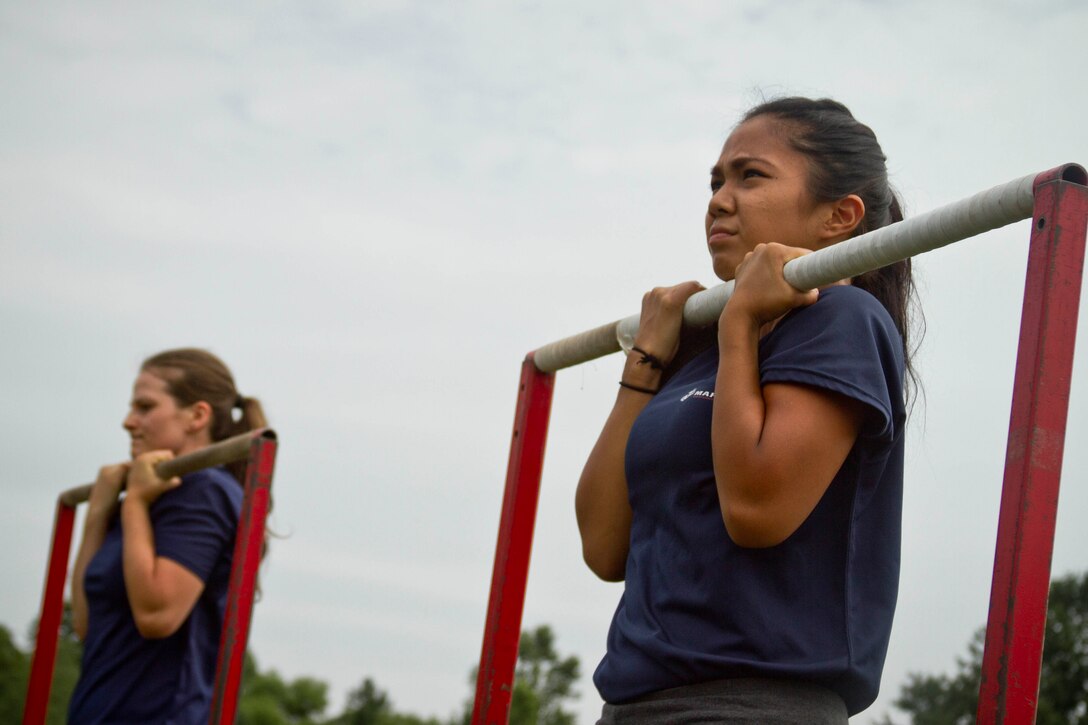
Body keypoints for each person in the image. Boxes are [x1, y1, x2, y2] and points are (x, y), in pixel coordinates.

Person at [576, 97, 917, 724]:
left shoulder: (842, 319)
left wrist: (739, 324)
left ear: (839, 216)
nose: (719, 199)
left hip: (753, 705)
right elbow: (603, 546)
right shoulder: (700, 352)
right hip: (629, 705)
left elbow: (757, 511)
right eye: (715, 180)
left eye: (749, 175)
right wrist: (646, 360)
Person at [68, 348, 268, 724]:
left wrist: (135, 503)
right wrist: (98, 512)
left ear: (197, 415)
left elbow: (157, 615)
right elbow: (87, 624)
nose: (129, 421)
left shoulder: (205, 490)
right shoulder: (150, 502)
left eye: (145, 406)